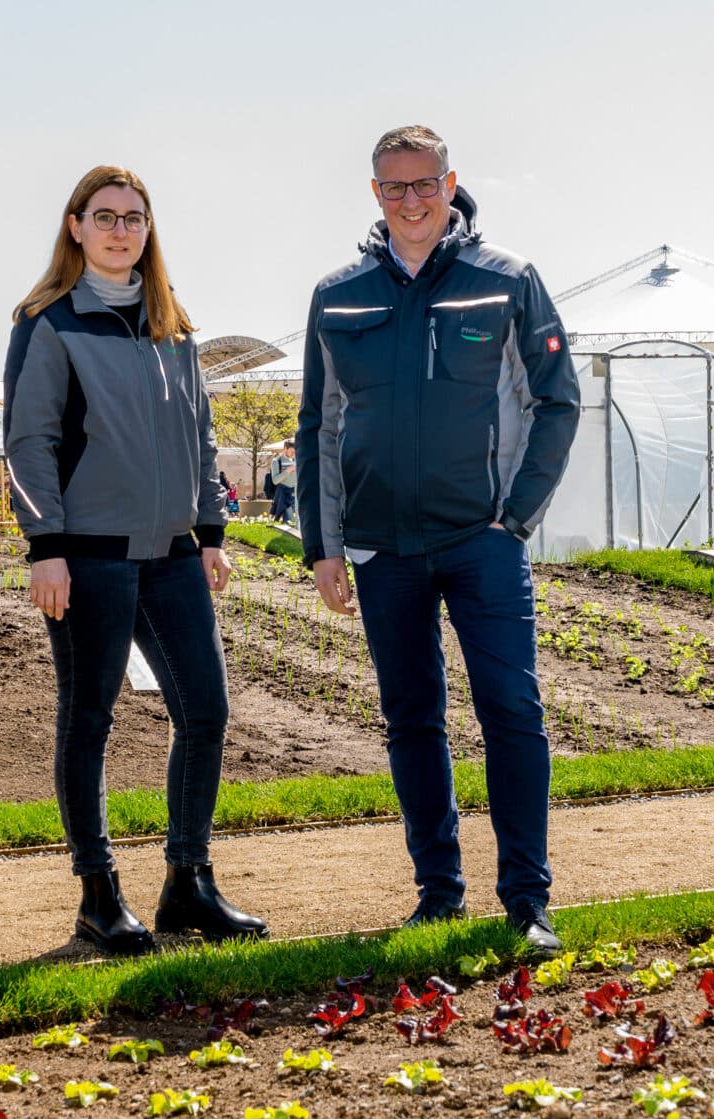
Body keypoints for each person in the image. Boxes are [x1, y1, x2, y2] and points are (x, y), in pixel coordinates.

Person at [294, 125, 578, 954]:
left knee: (511, 711)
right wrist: (325, 543)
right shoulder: (337, 295)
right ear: (374, 195)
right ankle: (438, 891)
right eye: (394, 188)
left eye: (425, 185)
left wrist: (515, 517)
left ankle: (527, 899)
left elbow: (556, 401)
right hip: (385, 550)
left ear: (451, 185)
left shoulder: (506, 280)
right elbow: (320, 422)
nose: (411, 202)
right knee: (412, 719)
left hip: (481, 542)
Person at [6, 164, 265, 955]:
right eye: (106, 215)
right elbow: (29, 442)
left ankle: (189, 882)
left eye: (135, 217)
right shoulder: (49, 322)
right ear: (76, 226)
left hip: (173, 558)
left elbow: (201, 435)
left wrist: (211, 531)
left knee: (206, 713)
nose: (122, 229)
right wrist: (45, 547)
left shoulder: (173, 326)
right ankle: (98, 893)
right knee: (90, 721)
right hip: (87, 561)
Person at [268, 438, 296, 522]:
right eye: (291, 451)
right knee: (288, 520)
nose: (293, 454)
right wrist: (288, 471)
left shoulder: (295, 460)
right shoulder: (276, 461)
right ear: (285, 449)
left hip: (295, 495)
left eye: (294, 452)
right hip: (283, 495)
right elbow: (275, 480)